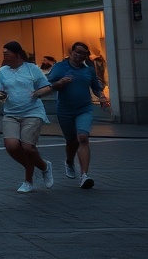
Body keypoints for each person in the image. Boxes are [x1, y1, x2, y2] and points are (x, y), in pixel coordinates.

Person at [46, 41, 111, 189]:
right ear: (71, 52)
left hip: (84, 109)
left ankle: (84, 176)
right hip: (65, 110)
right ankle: (69, 161)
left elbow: (96, 87)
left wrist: (101, 97)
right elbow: (48, 86)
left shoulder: (88, 70)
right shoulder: (60, 67)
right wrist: (60, 83)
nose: (79, 55)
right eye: (77, 52)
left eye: (83, 53)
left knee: (82, 137)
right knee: (71, 141)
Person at [0, 40, 54, 194]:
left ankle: (33, 176)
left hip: (32, 112)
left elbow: (47, 87)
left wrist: (38, 93)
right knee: (12, 146)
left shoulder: (32, 69)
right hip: (11, 113)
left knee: (27, 147)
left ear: (17, 54)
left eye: (7, 54)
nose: (4, 56)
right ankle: (40, 166)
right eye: (3, 54)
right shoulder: (2, 71)